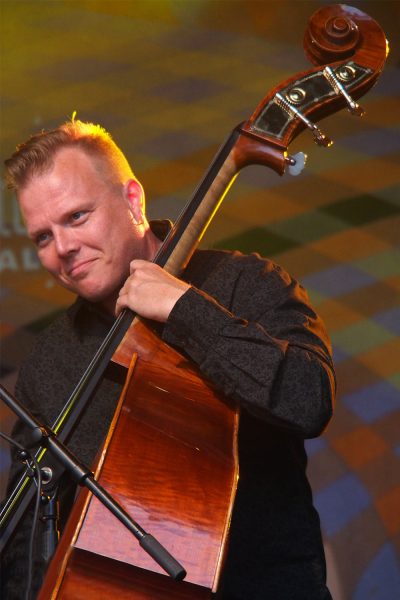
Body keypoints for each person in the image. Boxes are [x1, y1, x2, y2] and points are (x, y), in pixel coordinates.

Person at [1, 120, 335, 599]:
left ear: (133, 200)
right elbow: (27, 549)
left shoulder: (246, 283)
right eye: (42, 238)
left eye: (77, 217)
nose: (63, 249)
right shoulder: (48, 365)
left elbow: (309, 398)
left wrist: (184, 309)